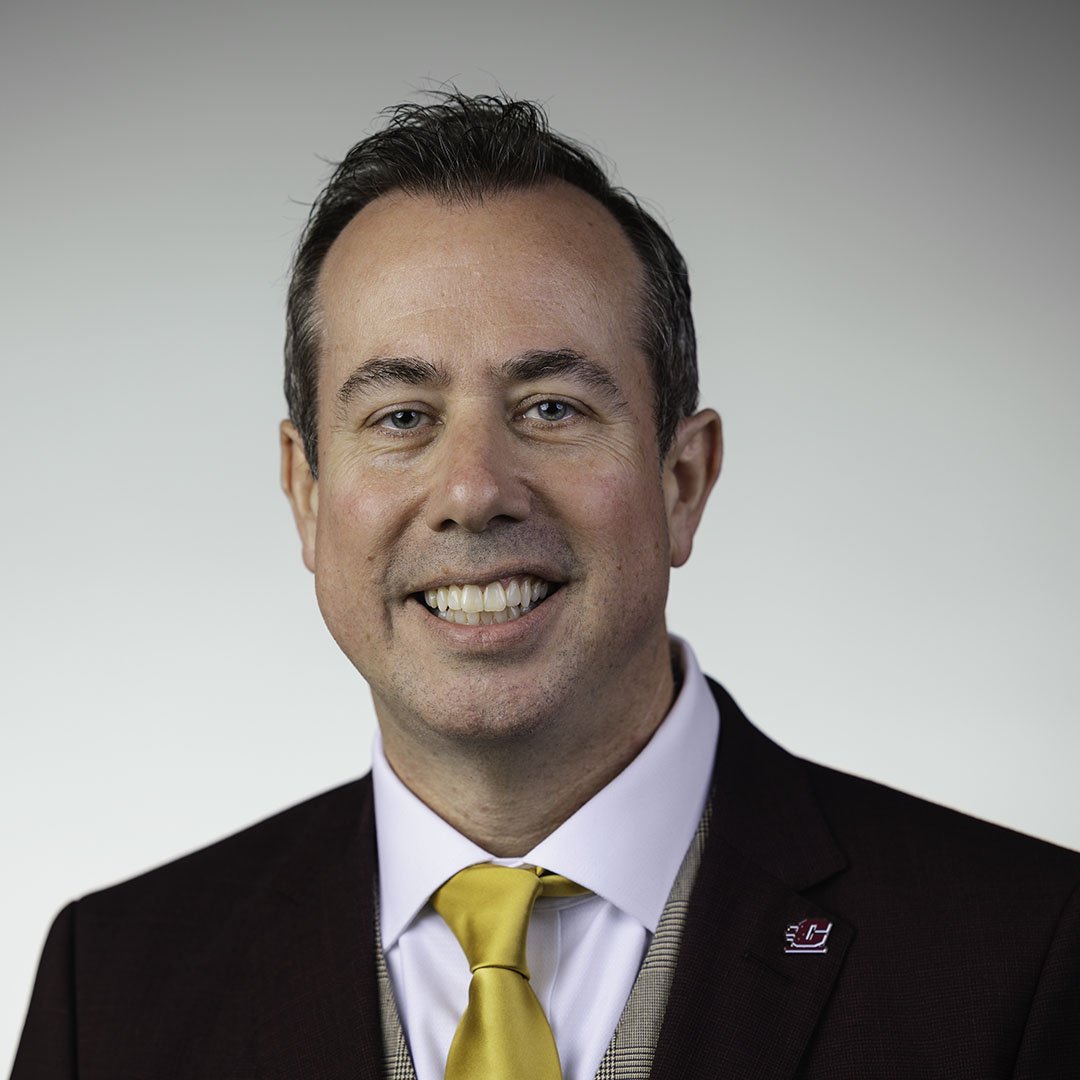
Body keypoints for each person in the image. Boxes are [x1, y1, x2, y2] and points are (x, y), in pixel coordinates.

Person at [12, 93, 1079, 1080]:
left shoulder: (1025, 955)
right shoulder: (108, 994)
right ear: (305, 490)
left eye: (554, 409)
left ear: (682, 481)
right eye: (400, 418)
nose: (473, 492)